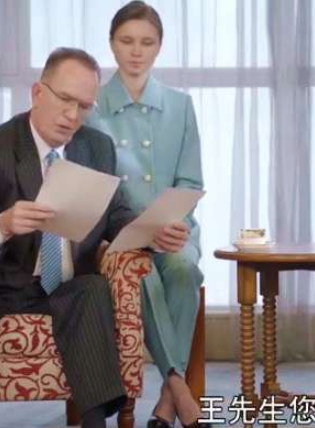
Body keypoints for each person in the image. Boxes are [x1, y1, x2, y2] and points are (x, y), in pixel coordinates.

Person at [0, 47, 191, 428]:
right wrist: (4, 224)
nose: (73, 116)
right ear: (37, 93)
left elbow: (116, 213)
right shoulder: (4, 145)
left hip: (69, 289)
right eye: (65, 100)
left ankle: (93, 423)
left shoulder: (95, 147)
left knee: (94, 289)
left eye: (84, 106)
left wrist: (152, 231)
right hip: (8, 290)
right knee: (89, 298)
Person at [86, 2, 205, 427]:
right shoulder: (91, 106)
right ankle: (177, 387)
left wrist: (173, 225)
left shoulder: (180, 105)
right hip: (117, 237)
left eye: (147, 42)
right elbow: (89, 186)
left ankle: (170, 397)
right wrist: (135, 232)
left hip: (174, 230)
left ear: (159, 47)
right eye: (127, 41)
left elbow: (190, 180)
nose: (136, 51)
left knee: (183, 270)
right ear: (112, 44)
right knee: (142, 274)